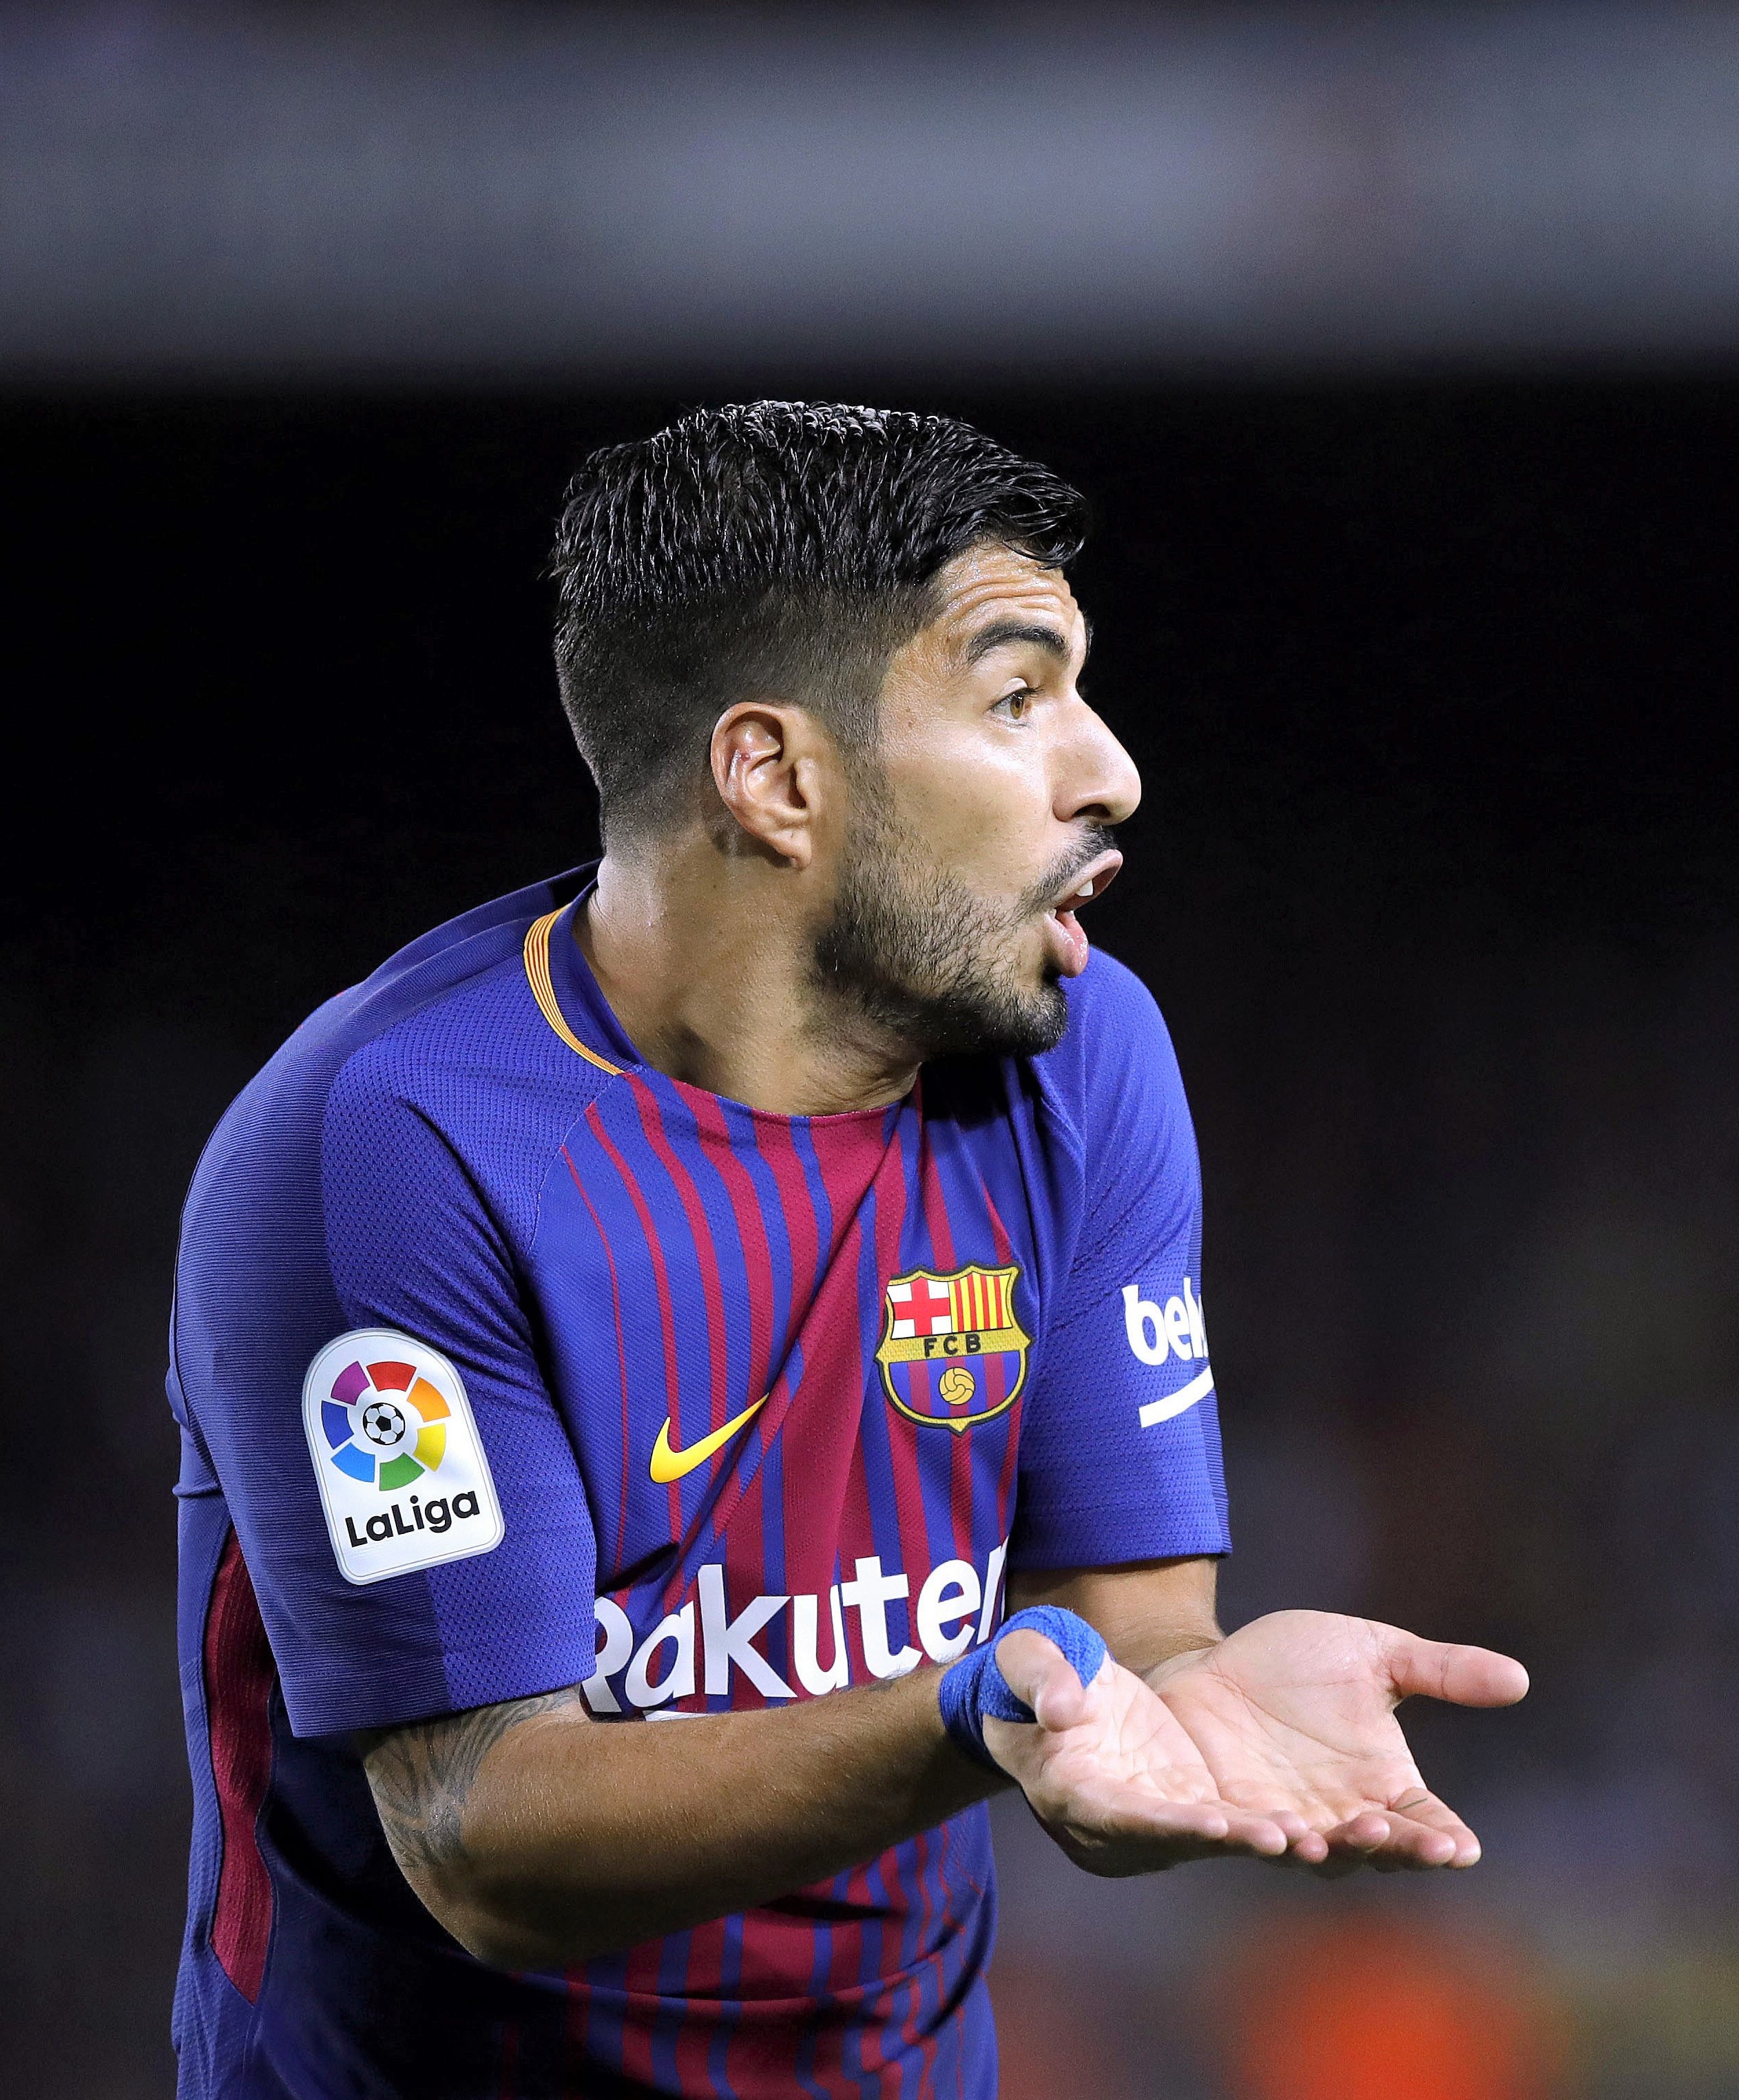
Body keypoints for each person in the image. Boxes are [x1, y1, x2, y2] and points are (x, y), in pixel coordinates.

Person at [164, 401, 1528, 2097]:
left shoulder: (1081, 1055)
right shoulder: (393, 1145)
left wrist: (1192, 1699)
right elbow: (482, 1839)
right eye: (1018, 697)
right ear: (777, 778)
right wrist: (973, 1711)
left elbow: (1119, 1646)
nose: (1110, 770)